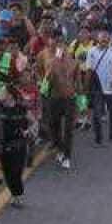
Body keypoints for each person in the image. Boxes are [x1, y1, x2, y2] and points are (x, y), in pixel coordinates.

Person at [42, 41, 79, 169]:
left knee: (68, 129)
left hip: (70, 99)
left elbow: (78, 84)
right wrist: (53, 66)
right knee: (54, 126)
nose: (62, 51)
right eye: (59, 49)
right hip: (54, 99)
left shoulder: (74, 63)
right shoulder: (51, 62)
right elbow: (47, 81)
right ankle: (60, 149)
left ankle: (67, 156)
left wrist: (81, 104)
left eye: (64, 49)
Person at [0, 86, 29, 207]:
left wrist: (28, 131)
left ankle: (18, 195)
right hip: (3, 146)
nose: (0, 93)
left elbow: (32, 122)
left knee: (16, 172)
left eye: (2, 91)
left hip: (18, 145)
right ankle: (15, 195)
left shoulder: (21, 108)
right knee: (7, 173)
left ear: (10, 95)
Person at [86, 28, 112, 146]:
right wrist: (86, 86)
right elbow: (89, 70)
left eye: (106, 41)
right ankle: (98, 139)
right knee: (96, 114)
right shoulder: (91, 51)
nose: (104, 43)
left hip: (111, 88)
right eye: (102, 41)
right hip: (97, 88)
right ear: (98, 40)